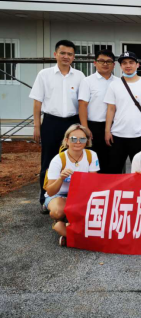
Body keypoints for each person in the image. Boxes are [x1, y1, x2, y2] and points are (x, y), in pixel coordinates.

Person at [29, 39, 85, 210]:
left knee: (75, 159)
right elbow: (37, 103)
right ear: (55, 54)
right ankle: (45, 199)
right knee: (48, 160)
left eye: (70, 54)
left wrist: (83, 128)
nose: (66, 56)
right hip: (51, 122)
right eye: (62, 53)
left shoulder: (79, 76)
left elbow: (83, 103)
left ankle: (73, 198)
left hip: (72, 123)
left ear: (74, 57)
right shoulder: (44, 74)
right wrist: (37, 126)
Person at [44, 124, 99, 246]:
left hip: (81, 194)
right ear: (66, 140)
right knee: (58, 211)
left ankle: (65, 229)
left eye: (82, 139)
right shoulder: (58, 160)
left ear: (87, 141)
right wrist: (61, 178)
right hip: (59, 195)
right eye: (74, 139)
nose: (78, 142)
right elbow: (50, 191)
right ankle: (61, 221)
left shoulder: (91, 155)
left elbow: (93, 183)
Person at [104, 52, 141, 174]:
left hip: (140, 134)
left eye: (131, 62)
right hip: (118, 134)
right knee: (114, 170)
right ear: (120, 66)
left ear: (137, 65)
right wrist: (107, 130)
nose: (128, 65)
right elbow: (111, 109)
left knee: (140, 171)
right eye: (124, 63)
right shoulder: (114, 85)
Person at [78, 49, 117, 173]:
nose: (105, 64)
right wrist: (85, 128)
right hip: (94, 127)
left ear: (114, 64)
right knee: (95, 162)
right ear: (95, 63)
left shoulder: (119, 82)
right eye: (101, 61)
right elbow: (82, 105)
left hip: (115, 126)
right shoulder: (88, 81)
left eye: (109, 61)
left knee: (113, 162)